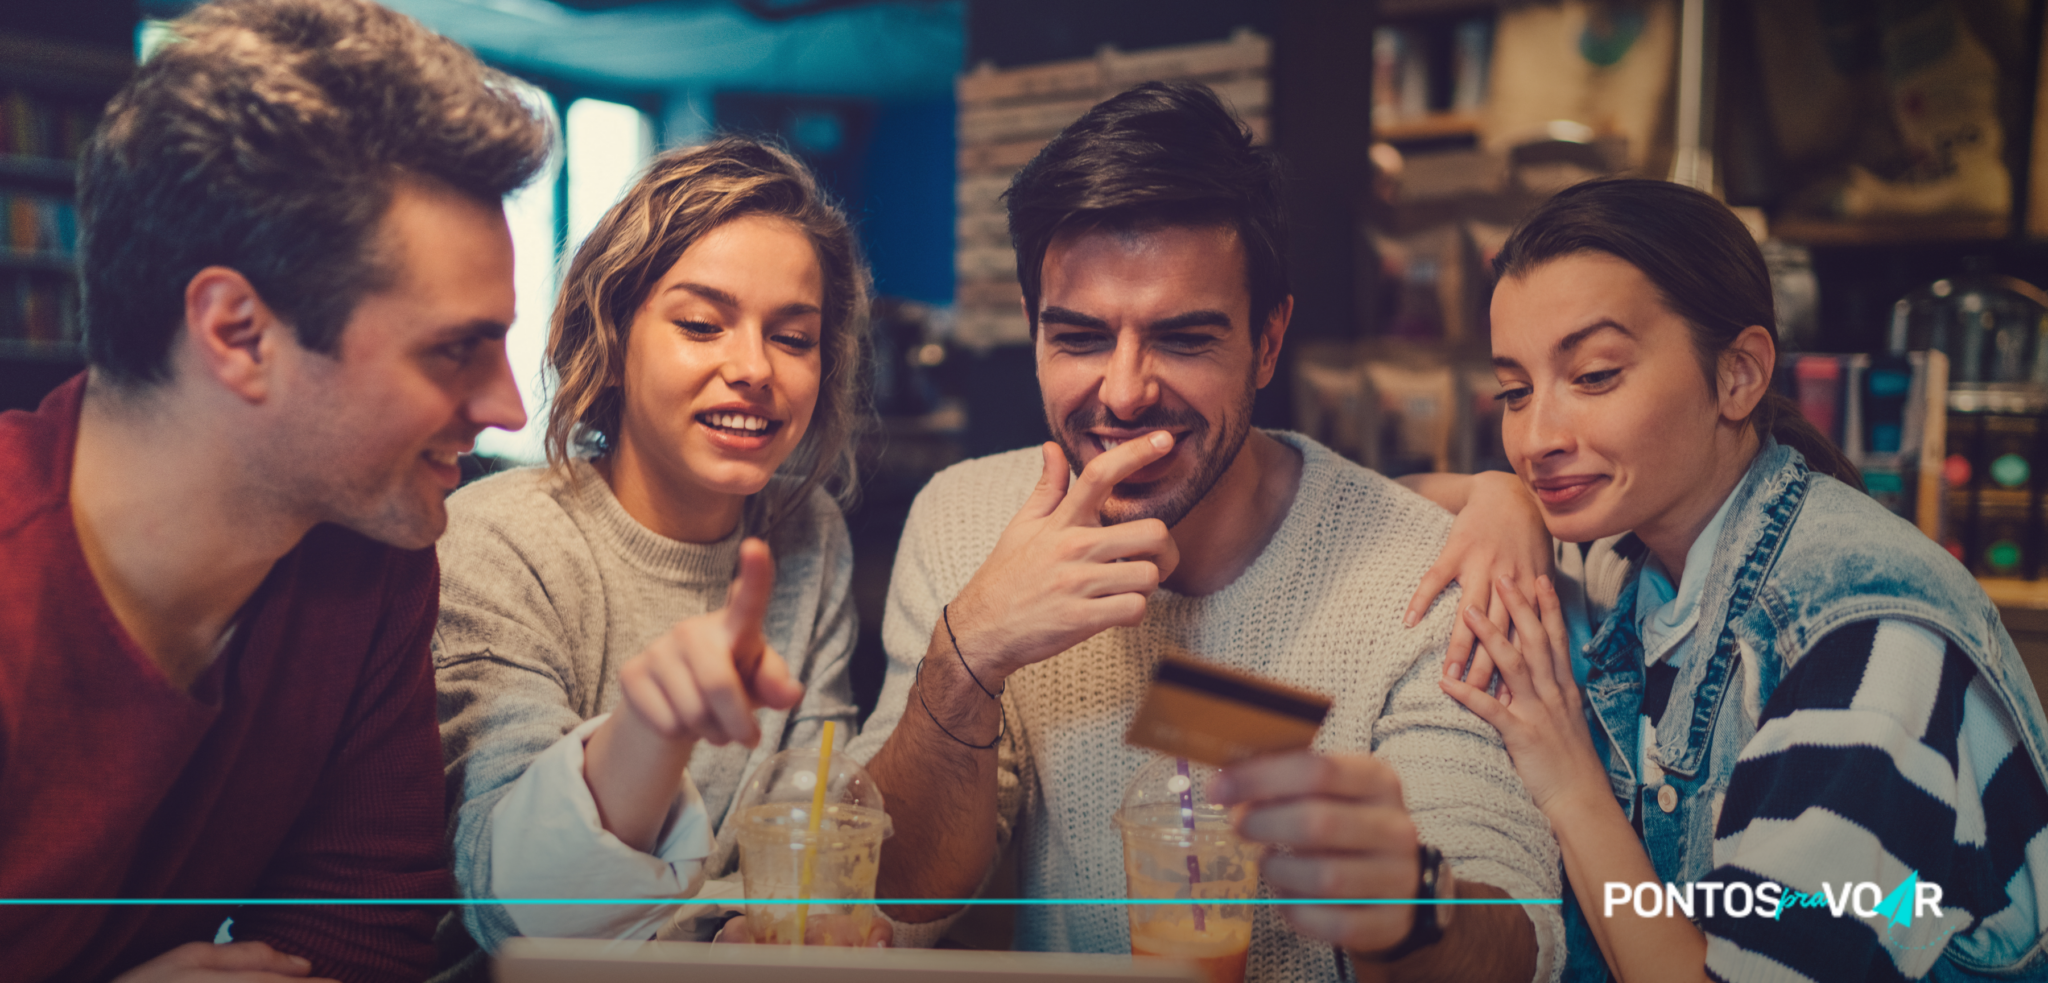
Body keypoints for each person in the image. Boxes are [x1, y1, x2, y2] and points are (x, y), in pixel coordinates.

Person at [845, 80, 1563, 982]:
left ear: (1267, 341)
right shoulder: (965, 520)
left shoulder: (1420, 567)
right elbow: (896, 895)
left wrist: (1413, 906)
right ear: (1031, 331)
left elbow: (1518, 934)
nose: (1124, 391)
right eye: (1078, 337)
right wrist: (968, 656)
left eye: (1183, 338)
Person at [0, 1, 551, 980]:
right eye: (455, 349)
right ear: (238, 333)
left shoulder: (373, 555)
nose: (508, 407)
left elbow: (362, 934)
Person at [1428, 177, 2048, 981]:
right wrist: (1496, 496)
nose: (1536, 435)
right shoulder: (1630, 552)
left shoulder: (1863, 644)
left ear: (1738, 375)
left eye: (1594, 375)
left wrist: (1569, 778)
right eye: (1515, 390)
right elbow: (1371, 505)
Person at [433, 137, 875, 961]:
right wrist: (647, 729)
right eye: (702, 325)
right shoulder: (499, 540)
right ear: (613, 332)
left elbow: (809, 824)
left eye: (794, 336)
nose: (753, 368)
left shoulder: (808, 533)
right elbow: (506, 907)